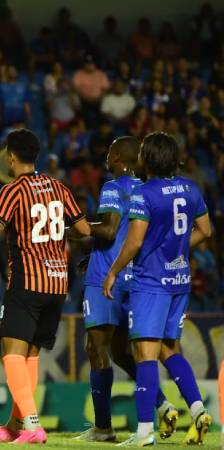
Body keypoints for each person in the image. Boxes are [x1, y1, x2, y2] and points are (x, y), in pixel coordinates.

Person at [0, 129, 91, 444]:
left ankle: (31, 426)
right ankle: (15, 425)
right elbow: (83, 229)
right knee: (29, 355)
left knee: (11, 352)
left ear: (10, 157)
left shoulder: (12, 190)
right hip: (57, 284)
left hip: (27, 280)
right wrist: (55, 233)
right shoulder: (59, 187)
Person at [102, 132, 213, 446]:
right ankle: (198, 410)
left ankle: (144, 432)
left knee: (144, 353)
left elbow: (135, 241)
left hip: (151, 284)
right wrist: (175, 250)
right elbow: (206, 230)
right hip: (180, 282)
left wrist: (113, 272)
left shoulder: (144, 193)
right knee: (169, 349)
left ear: (147, 159)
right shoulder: (191, 188)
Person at [74, 137, 178, 442]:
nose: (106, 158)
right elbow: (127, 235)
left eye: (108, 153)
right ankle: (163, 405)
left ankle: (103, 428)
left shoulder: (112, 186)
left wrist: (77, 231)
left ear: (117, 157)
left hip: (105, 279)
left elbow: (107, 230)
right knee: (122, 352)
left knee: (95, 349)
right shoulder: (146, 190)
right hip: (134, 278)